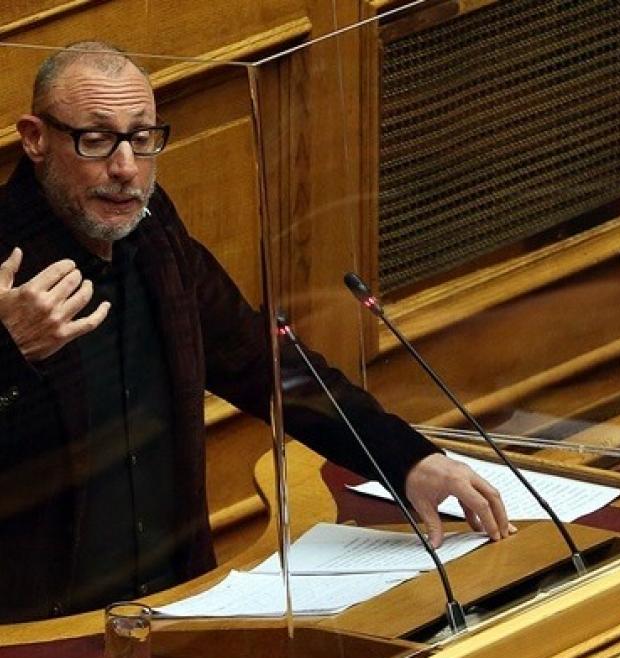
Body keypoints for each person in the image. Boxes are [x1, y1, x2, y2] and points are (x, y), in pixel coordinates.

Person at [0, 42, 511, 623]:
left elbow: (262, 363)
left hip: (173, 605)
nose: (125, 168)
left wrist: (406, 460)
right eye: (95, 140)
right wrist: (9, 351)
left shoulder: (152, 230)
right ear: (35, 138)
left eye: (141, 138)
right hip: (38, 630)